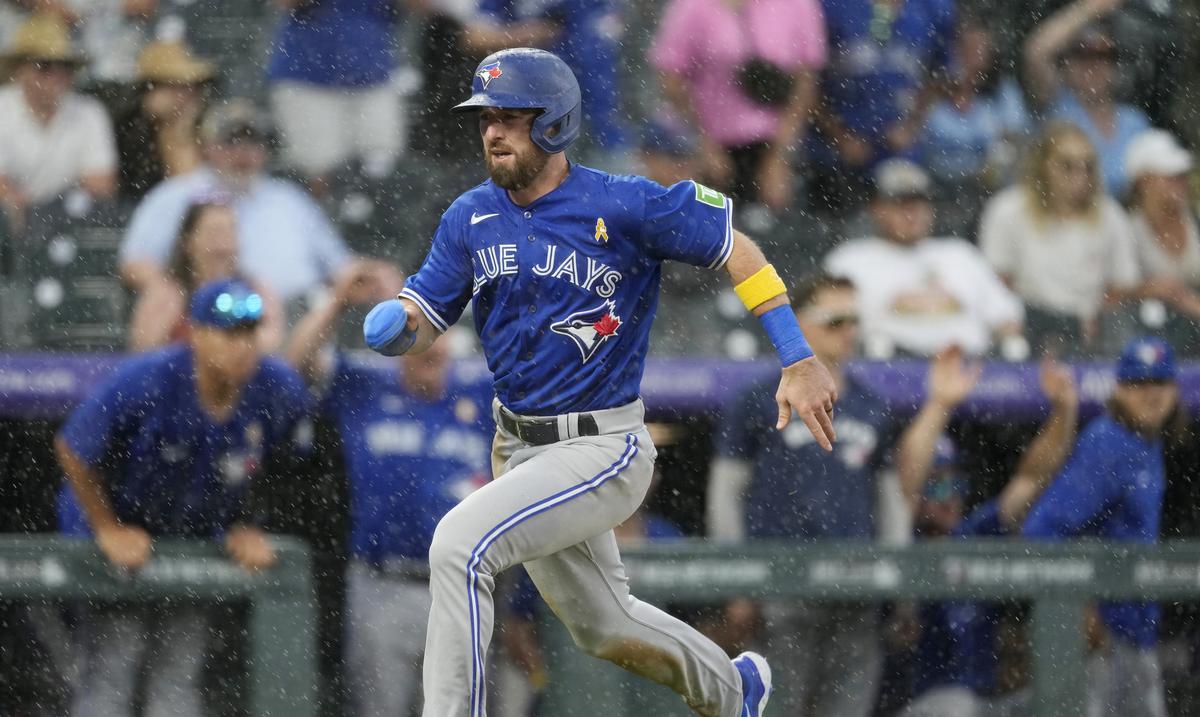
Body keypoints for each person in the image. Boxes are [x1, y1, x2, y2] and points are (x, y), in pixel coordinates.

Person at [361, 47, 839, 716]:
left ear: (554, 122)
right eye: (486, 119)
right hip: (517, 447)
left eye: (510, 117)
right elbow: (426, 319)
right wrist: (402, 326)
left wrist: (796, 355)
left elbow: (738, 248)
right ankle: (735, 690)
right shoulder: (469, 216)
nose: (492, 132)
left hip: (601, 444)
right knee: (603, 624)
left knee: (460, 546)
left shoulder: (624, 202)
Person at [54, 278, 313, 717]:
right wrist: (107, 528)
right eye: (228, 334)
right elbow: (74, 449)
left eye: (249, 333)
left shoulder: (276, 387)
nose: (242, 346)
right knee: (114, 665)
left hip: (194, 535)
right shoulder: (150, 378)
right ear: (195, 333)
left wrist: (249, 524)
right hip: (118, 528)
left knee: (177, 674)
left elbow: (291, 466)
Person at [285, 260, 493, 717]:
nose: (428, 348)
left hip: (461, 589)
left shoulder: (478, 396)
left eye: (435, 335)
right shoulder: (365, 387)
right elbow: (296, 364)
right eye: (415, 337)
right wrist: (338, 301)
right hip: (384, 581)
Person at [708, 272, 916, 717]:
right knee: (777, 706)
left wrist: (900, 580)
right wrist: (736, 580)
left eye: (855, 320)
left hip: (858, 585)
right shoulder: (758, 398)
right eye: (835, 320)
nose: (849, 331)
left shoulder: (872, 404)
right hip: (779, 585)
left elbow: (889, 501)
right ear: (798, 322)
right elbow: (726, 494)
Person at [898, 356, 1080, 717]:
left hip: (984, 701)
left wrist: (1064, 412)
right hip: (921, 703)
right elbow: (906, 483)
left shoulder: (973, 534)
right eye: (936, 486)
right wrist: (940, 404)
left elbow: (1030, 479)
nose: (948, 497)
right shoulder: (899, 541)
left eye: (955, 484)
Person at [1023, 336, 1178, 717]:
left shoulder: (1146, 443)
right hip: (1103, 640)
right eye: (1139, 383)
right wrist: (1080, 605)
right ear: (1119, 388)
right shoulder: (1109, 442)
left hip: (1134, 633)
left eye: (1160, 382)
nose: (1152, 394)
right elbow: (1042, 530)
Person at [119, 100, 352, 305]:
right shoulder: (175, 196)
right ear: (207, 147)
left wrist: (359, 277)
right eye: (231, 141)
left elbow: (340, 264)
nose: (243, 152)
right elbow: (135, 264)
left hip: (299, 316)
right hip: (212, 318)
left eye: (253, 142)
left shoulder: (289, 198)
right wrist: (177, 299)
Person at [825, 159, 1025, 357]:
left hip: (966, 364)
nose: (912, 213)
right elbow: (828, 322)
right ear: (877, 209)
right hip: (886, 366)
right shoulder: (850, 259)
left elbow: (1007, 317)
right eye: (901, 204)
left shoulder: (961, 254)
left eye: (919, 204)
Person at [978, 122, 1141, 354]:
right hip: (1027, 321)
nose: (1080, 176)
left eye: (1088, 166)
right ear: (1042, 166)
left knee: (1123, 328)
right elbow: (996, 281)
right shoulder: (1007, 210)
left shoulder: (1110, 215)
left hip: (1089, 326)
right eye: (1067, 165)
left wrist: (1097, 316)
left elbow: (1122, 285)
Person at [648, 0, 825, 212]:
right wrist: (705, 144)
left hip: (773, 143)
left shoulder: (797, 5)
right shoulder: (692, 7)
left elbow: (805, 82)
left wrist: (778, 157)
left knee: (778, 220)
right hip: (714, 147)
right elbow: (672, 79)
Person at [806, 0, 956, 210]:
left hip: (900, 155)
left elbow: (940, 75)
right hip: (833, 155)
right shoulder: (829, 6)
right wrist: (838, 135)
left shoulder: (933, 7)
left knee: (906, 222)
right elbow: (804, 79)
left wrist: (912, 125)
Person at [466, 0, 631, 166]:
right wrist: (524, 34)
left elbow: (621, 38)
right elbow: (475, 37)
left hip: (603, 119)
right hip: (536, 114)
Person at [267, 0, 407, 186]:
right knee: (318, 169)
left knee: (381, 164)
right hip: (309, 82)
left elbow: (419, 6)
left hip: (372, 77)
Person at [0, 13, 117, 232]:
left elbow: (101, 186)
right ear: (20, 70)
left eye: (64, 66)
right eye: (44, 66)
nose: (56, 75)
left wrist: (42, 211)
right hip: (10, 228)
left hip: (65, 223)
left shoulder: (90, 112)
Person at [1023, 0, 1151, 194]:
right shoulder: (1055, 104)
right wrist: (1093, 7)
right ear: (1067, 65)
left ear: (1116, 67)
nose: (1093, 66)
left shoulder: (1135, 121)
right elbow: (1036, 52)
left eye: (1104, 55)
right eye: (1082, 55)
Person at [126, 200, 284, 352]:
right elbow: (143, 351)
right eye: (213, 233)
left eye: (230, 233)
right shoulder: (167, 294)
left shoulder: (256, 291)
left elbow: (270, 347)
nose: (223, 246)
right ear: (188, 242)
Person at [917, 12, 1030, 191]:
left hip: (988, 188)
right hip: (932, 186)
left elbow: (1015, 138)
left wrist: (990, 167)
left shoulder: (1002, 91)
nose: (972, 57)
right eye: (965, 48)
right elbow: (911, 136)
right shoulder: (930, 89)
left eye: (980, 49)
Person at [115, 38, 215, 203]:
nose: (186, 95)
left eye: (192, 86)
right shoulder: (127, 132)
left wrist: (181, 133)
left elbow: (194, 193)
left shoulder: (207, 127)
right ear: (148, 91)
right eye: (174, 86)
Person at [1124, 129, 1200, 338]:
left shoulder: (1196, 219)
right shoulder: (1125, 229)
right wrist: (1145, 290)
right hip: (1148, 335)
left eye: (1182, 175)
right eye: (1170, 177)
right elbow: (1111, 295)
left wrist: (1187, 301)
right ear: (1142, 182)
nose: (1180, 182)